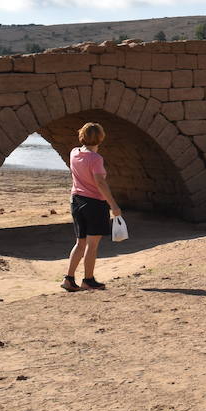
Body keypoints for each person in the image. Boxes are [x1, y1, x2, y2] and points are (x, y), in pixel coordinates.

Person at [62, 122, 123, 292]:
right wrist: (113, 205)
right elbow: (100, 182)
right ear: (100, 138)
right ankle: (88, 280)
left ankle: (69, 279)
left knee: (80, 243)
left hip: (76, 201)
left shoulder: (74, 152)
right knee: (92, 244)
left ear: (82, 135)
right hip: (94, 204)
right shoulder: (96, 159)